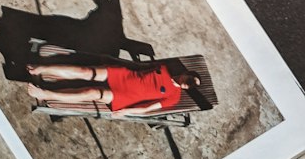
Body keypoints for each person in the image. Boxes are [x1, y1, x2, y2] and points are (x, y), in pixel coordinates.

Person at [26, 57, 200, 116]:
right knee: (86, 71)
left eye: (191, 86)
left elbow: (148, 108)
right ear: (188, 73)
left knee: (92, 92)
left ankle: (47, 94)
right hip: (124, 75)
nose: (188, 83)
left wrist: (127, 111)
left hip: (125, 96)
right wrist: (116, 61)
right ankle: (43, 68)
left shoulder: (174, 97)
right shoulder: (166, 67)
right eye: (191, 79)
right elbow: (139, 66)